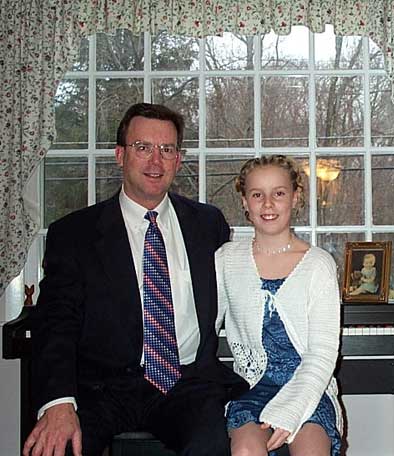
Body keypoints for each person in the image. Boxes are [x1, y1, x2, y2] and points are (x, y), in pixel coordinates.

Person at [24, 103, 247, 456]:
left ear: (178, 158)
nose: (155, 162)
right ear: (119, 155)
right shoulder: (75, 234)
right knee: (59, 448)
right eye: (143, 148)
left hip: (187, 383)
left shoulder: (208, 224)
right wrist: (58, 402)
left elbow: (245, 287)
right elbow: (56, 322)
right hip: (101, 389)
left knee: (214, 444)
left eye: (167, 149)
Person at [215, 155, 343, 456]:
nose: (268, 204)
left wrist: (291, 411)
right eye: (257, 195)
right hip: (251, 387)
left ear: (295, 197)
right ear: (245, 202)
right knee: (247, 449)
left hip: (308, 388)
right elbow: (202, 327)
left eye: (279, 193)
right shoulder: (226, 260)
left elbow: (323, 354)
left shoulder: (318, 265)